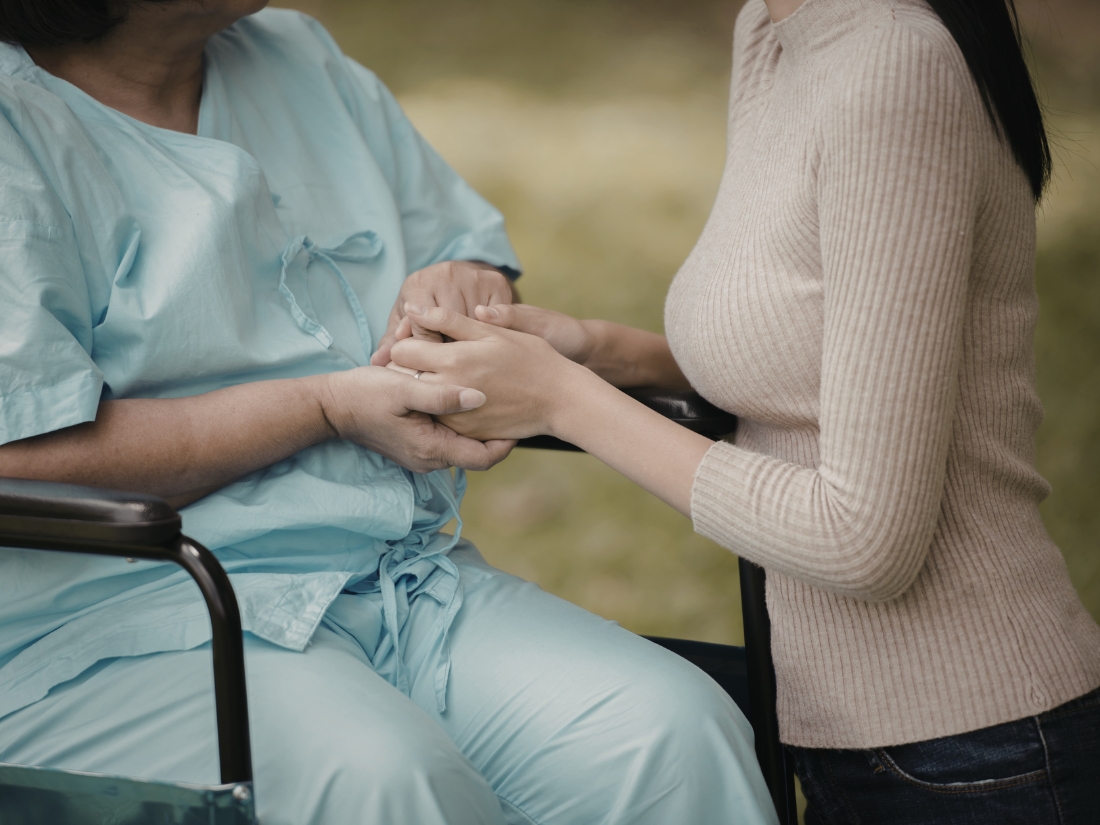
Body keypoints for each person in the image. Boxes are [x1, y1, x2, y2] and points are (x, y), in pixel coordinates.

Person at [0, 2, 780, 824]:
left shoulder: (294, 54)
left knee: (671, 731)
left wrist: (468, 287)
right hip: (126, 622)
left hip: (397, 581)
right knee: (387, 780)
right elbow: (19, 456)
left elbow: (465, 247)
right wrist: (324, 407)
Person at [386, 0, 1100, 822]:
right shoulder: (772, 30)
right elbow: (811, 354)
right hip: (832, 732)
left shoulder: (898, 66)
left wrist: (561, 396)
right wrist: (596, 349)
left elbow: (864, 539)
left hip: (980, 752)